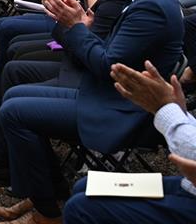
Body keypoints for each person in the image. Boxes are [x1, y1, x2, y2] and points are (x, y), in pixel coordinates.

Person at [0, 0, 184, 224]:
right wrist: (81, 21)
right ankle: (49, 191)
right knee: (15, 94)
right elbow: (111, 53)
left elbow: (108, 66)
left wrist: (77, 26)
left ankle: (46, 215)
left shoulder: (152, 7)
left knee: (15, 112)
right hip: (107, 93)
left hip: (124, 109)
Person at [62, 60, 196, 222]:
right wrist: (179, 113)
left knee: (80, 208)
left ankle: (45, 211)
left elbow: (106, 62)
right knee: (86, 186)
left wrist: (164, 108)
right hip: (191, 185)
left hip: (116, 109)